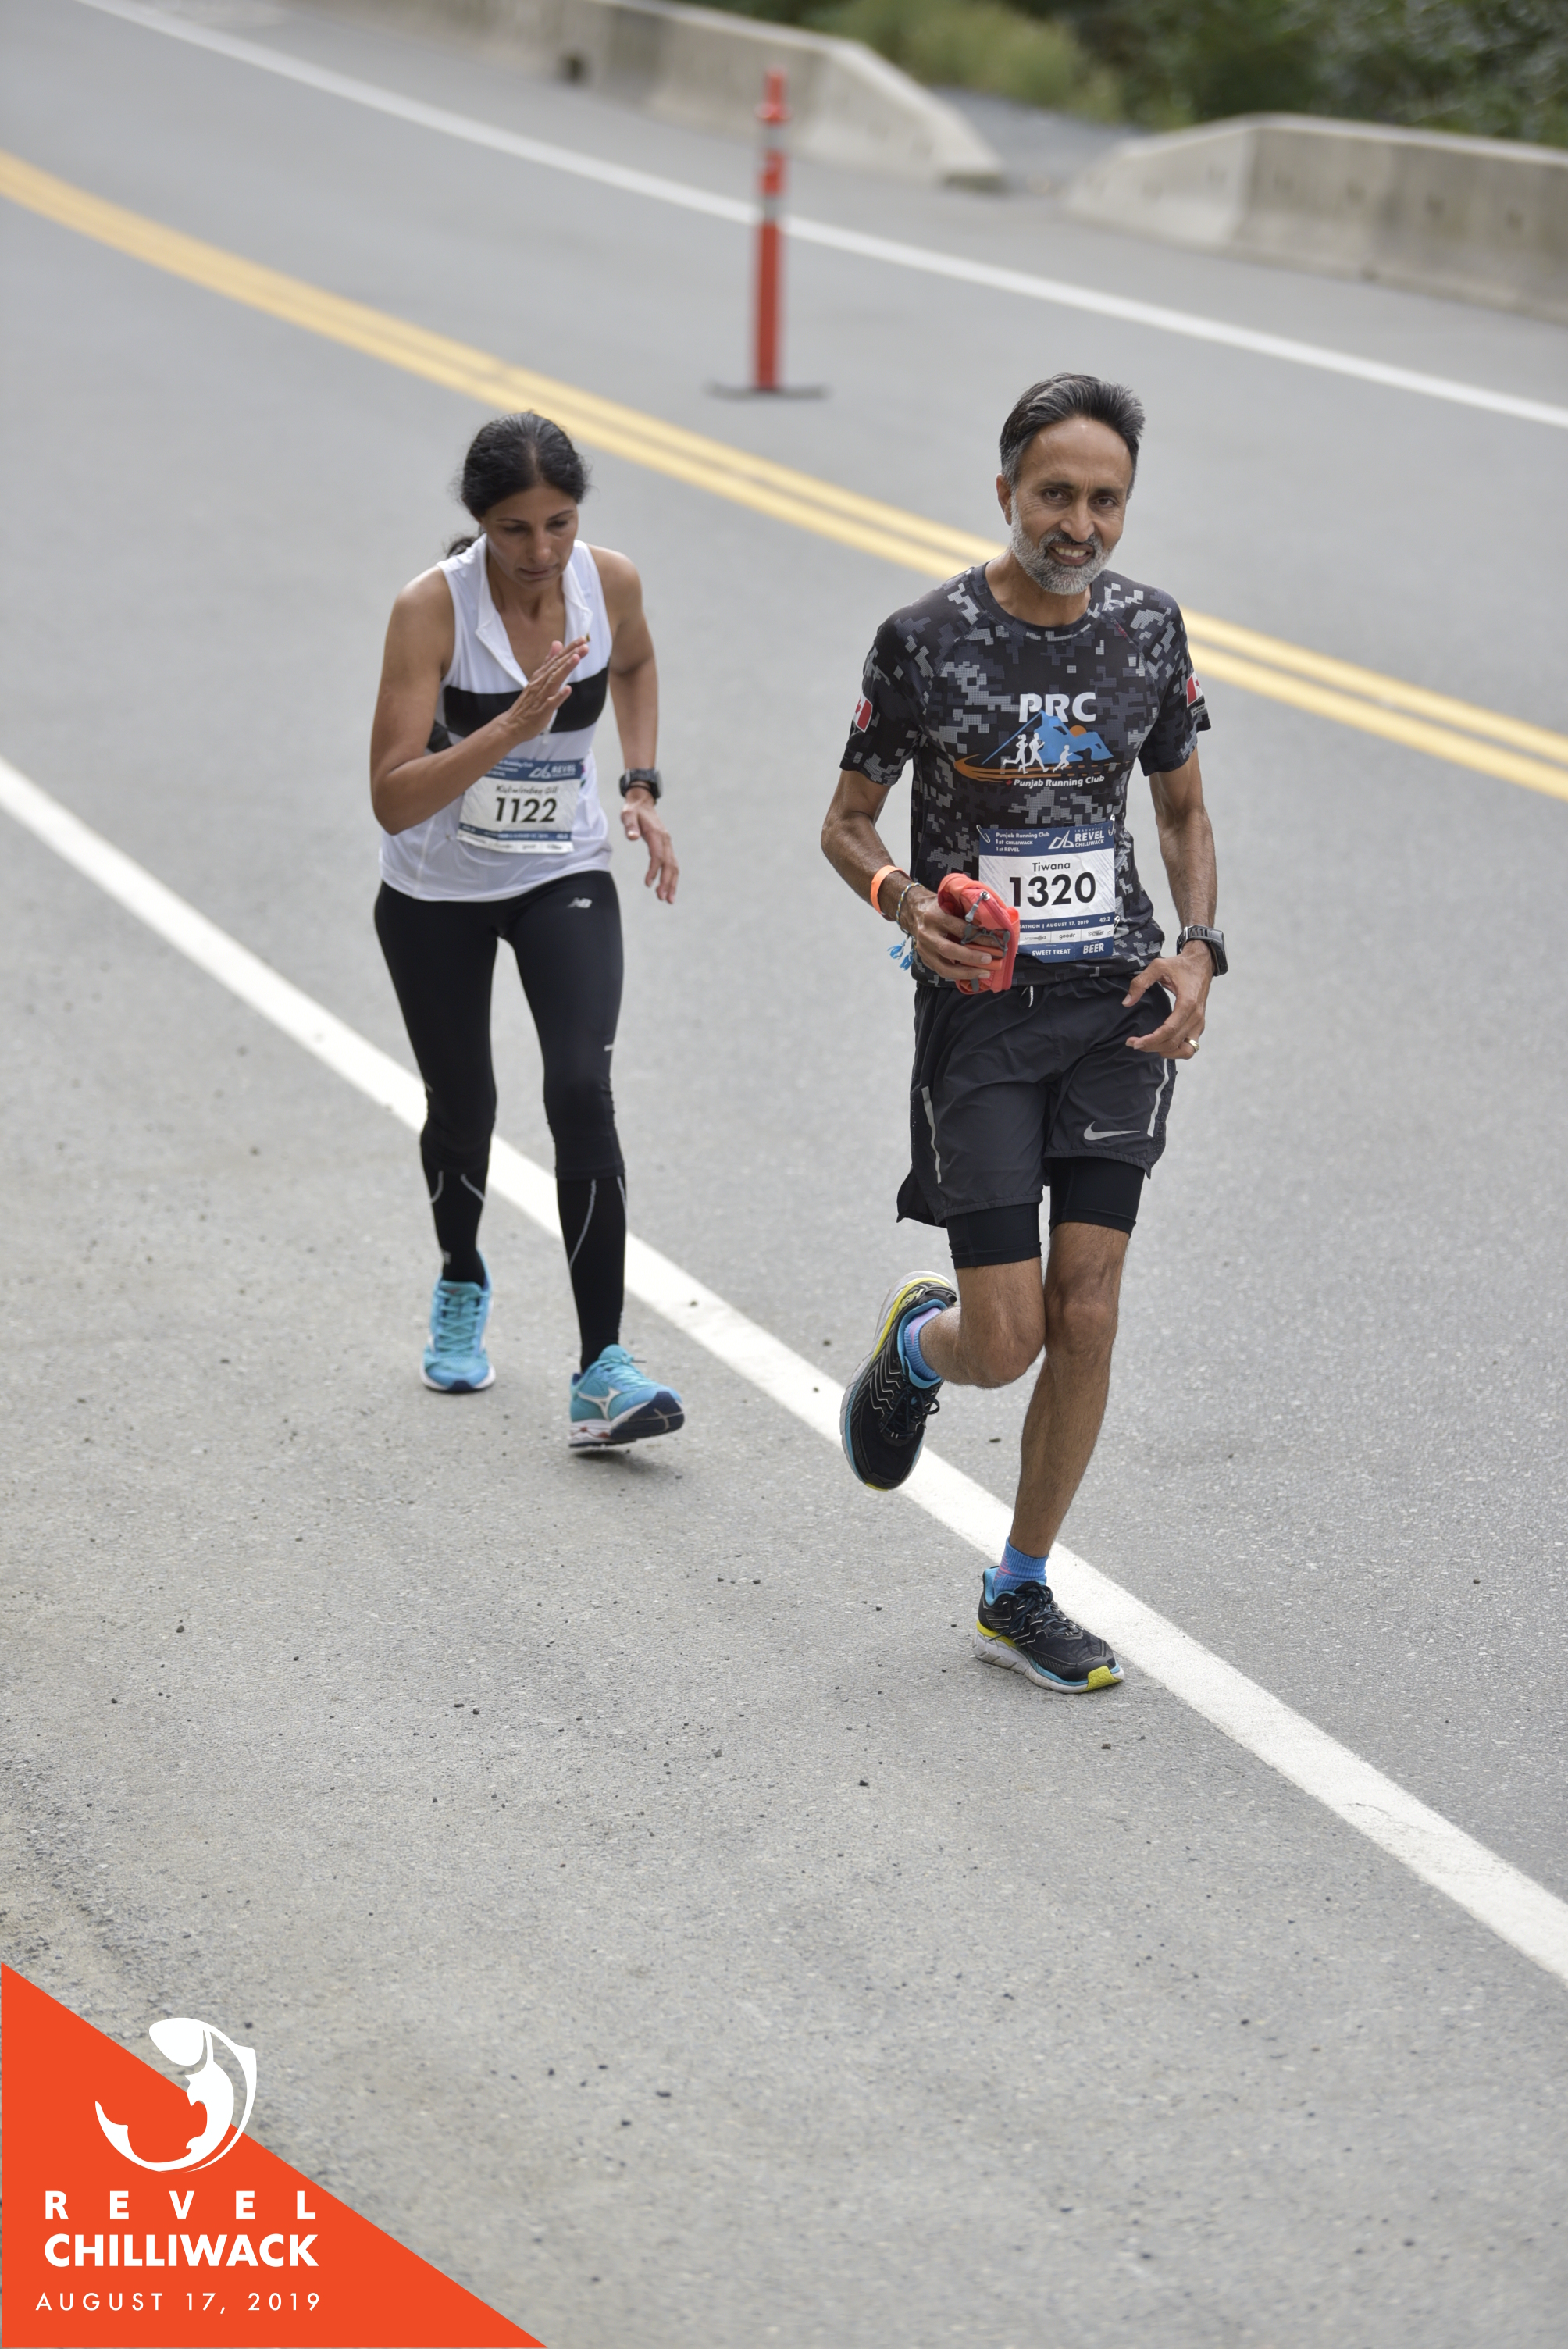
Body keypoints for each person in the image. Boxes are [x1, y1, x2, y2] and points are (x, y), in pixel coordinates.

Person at [821, 373, 1224, 1691]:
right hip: (984, 1015)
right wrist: (902, 900)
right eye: (1056, 494)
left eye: (1106, 500)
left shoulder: (1149, 630)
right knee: (1008, 1342)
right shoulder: (923, 640)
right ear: (1005, 491)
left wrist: (1198, 948)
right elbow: (846, 822)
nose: (1080, 524)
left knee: (1089, 1308)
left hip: (1115, 1004)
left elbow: (1180, 813)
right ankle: (919, 1346)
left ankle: (1020, 1586)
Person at [369, 411, 685, 1449]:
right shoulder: (431, 610)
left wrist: (638, 782)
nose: (541, 550)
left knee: (582, 1090)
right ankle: (462, 1275)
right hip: (436, 890)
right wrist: (510, 727)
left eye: (559, 523)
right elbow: (393, 798)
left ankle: (602, 1369)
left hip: (562, 870)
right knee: (465, 1110)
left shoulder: (609, 582)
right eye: (514, 529)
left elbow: (634, 665)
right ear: (479, 523)